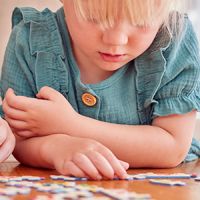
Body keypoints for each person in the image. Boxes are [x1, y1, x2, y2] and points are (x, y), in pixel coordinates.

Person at [1, 0, 200, 180]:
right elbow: (17, 138)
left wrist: (70, 125)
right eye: (94, 18)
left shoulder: (176, 39)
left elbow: (173, 148)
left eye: (140, 21)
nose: (116, 40)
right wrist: (54, 148)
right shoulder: (29, 38)